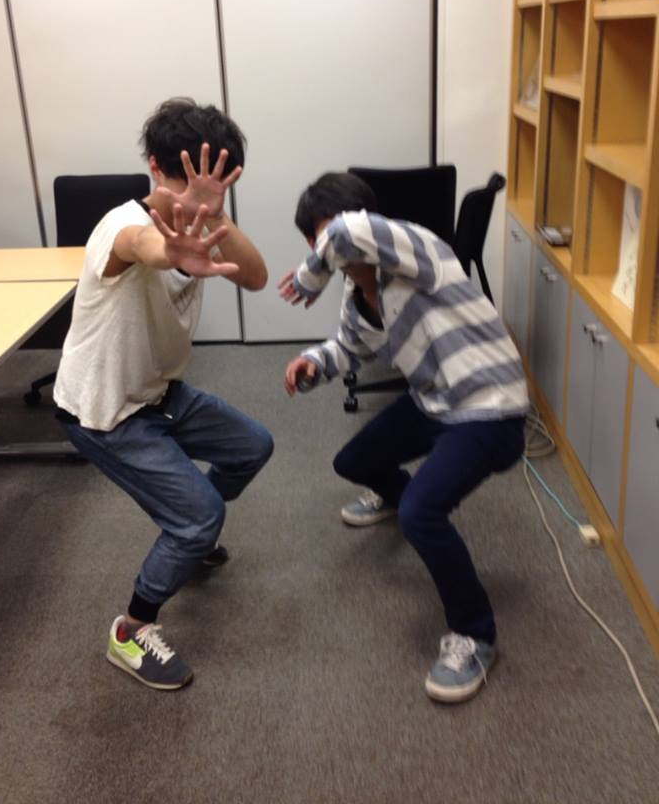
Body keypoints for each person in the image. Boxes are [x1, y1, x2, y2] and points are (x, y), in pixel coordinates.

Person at [280, 172, 528, 703]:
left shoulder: (419, 251)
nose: (331, 250)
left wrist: (308, 275)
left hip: (488, 406)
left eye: (327, 237)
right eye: (318, 241)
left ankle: (475, 635)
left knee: (422, 514)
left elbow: (345, 232)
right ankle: (403, 497)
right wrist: (313, 362)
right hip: (434, 402)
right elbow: (349, 348)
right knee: (352, 462)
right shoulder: (358, 294)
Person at [54, 98, 274, 690]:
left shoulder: (206, 222)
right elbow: (141, 246)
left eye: (210, 183)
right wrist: (171, 248)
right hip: (105, 412)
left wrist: (213, 218)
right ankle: (130, 630)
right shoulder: (119, 226)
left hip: (158, 394)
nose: (191, 197)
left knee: (252, 446)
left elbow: (256, 277)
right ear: (154, 167)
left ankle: (189, 537)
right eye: (181, 179)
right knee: (201, 516)